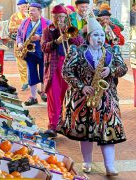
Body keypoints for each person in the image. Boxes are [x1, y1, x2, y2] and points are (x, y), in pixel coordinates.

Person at [57, 17, 127, 176]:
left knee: (109, 130)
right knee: (86, 132)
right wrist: (82, 87)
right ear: (88, 37)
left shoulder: (112, 50)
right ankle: (87, 162)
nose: (100, 39)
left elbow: (123, 68)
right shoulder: (77, 50)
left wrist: (111, 71)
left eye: (101, 36)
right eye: (96, 35)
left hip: (107, 97)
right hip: (84, 98)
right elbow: (66, 72)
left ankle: (110, 166)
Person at [41, 5, 84, 137]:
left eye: (62, 17)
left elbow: (80, 43)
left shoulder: (70, 29)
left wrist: (70, 34)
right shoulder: (48, 30)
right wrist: (57, 41)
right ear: (53, 17)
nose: (60, 20)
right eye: (57, 17)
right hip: (54, 67)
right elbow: (44, 47)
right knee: (53, 96)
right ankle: (53, 125)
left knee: (65, 97)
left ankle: (64, 123)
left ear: (66, 18)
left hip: (68, 67)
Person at [16, 3, 51, 106]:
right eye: (29, 10)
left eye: (33, 10)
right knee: (31, 74)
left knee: (44, 73)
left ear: (40, 11)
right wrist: (19, 43)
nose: (30, 12)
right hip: (29, 52)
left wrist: (40, 37)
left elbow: (52, 36)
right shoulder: (24, 22)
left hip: (43, 52)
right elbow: (18, 34)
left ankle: (44, 92)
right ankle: (33, 96)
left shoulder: (48, 23)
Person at [9, 0, 28, 91]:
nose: (25, 8)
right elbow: (10, 28)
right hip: (19, 43)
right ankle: (24, 82)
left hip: (29, 43)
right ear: (19, 7)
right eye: (23, 6)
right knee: (21, 64)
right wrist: (22, 25)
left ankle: (31, 81)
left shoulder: (29, 16)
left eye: (26, 6)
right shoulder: (14, 17)